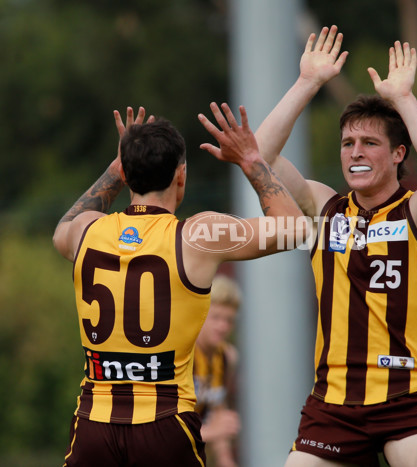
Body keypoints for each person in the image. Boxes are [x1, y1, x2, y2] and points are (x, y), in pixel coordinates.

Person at [254, 26, 417, 466]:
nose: (356, 153)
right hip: (333, 406)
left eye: (370, 143)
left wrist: (404, 100)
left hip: (406, 399)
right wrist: (307, 83)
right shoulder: (322, 206)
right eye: (348, 143)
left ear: (398, 154)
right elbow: (259, 155)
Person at [53, 103, 306, 467]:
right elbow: (295, 230)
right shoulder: (197, 236)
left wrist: (116, 168)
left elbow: (61, 228)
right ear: (180, 176)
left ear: (126, 174)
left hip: (94, 424)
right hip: (164, 424)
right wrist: (251, 159)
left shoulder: (86, 230)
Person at [193, 274, 242, 467]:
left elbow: (217, 411)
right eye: (216, 318)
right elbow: (162, 431)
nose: (223, 326)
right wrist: (212, 432)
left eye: (229, 320)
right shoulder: (183, 355)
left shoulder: (227, 357)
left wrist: (226, 459)